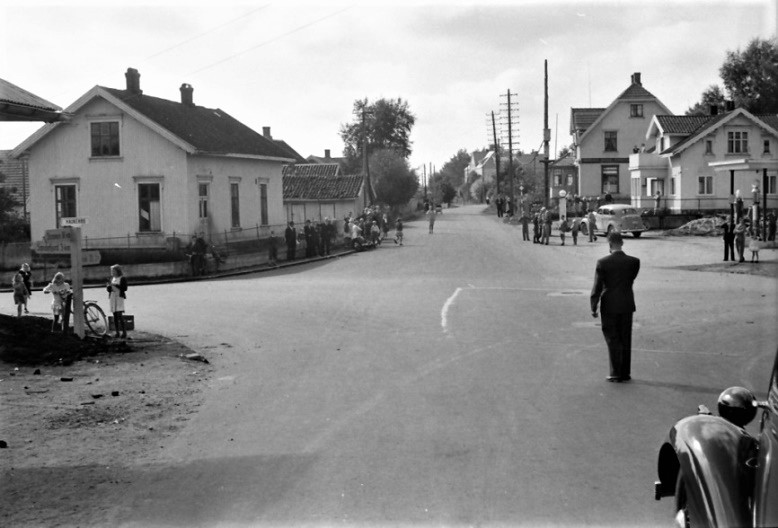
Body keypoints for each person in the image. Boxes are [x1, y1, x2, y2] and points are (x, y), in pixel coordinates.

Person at [590, 232, 640, 383]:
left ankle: (615, 372)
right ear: (622, 243)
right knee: (625, 338)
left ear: (609, 244)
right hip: (626, 304)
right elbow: (630, 279)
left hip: (609, 305)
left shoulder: (602, 262)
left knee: (612, 338)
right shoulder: (634, 262)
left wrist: (594, 306)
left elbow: (597, 287)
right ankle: (625, 372)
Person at [106, 264, 128, 339]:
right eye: (112, 271)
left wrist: (115, 285)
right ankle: (117, 332)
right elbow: (109, 289)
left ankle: (124, 332)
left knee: (119, 315)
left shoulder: (122, 278)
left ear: (117, 271)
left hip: (119, 297)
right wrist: (109, 287)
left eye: (113, 271)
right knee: (115, 315)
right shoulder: (112, 278)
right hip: (112, 297)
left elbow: (124, 288)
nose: (112, 272)